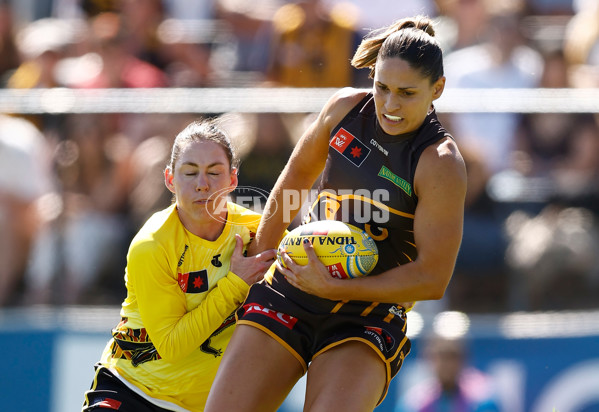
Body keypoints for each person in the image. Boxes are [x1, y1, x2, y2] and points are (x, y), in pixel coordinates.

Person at [205, 15, 467, 412]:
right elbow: (292, 185)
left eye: (407, 93)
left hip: (367, 315)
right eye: (381, 87)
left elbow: (432, 279)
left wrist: (337, 289)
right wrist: (255, 264)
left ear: (438, 89)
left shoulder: (440, 163)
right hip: (292, 283)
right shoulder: (343, 109)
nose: (390, 105)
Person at [81, 118, 276, 411]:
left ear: (233, 179)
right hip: (131, 391)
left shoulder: (256, 230)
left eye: (214, 172)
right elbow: (172, 345)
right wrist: (236, 283)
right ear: (170, 179)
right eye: (190, 172)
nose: (202, 184)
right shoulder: (152, 244)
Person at [395, 334, 502, 412]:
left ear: (464, 359)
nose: (446, 364)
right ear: (428, 359)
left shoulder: (483, 400)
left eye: (452, 356)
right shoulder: (413, 403)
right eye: (440, 356)